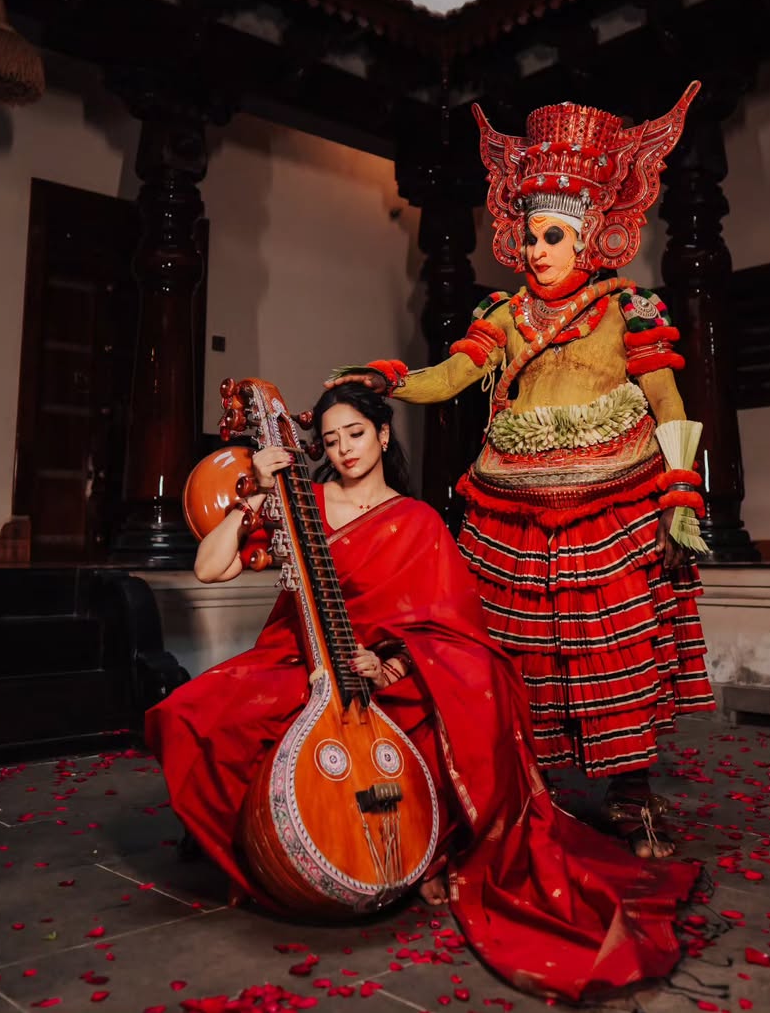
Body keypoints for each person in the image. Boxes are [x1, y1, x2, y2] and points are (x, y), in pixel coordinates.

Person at [146, 382, 700, 1003]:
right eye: (331, 440)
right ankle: (260, 843)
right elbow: (210, 568)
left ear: (383, 435)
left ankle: (424, 849)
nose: (345, 448)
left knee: (467, 694)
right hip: (300, 656)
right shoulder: (303, 499)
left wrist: (388, 668)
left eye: (356, 433)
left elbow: (449, 625)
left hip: (383, 671)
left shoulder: (417, 520)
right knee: (191, 713)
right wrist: (253, 494)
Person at [333, 89, 717, 859]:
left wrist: (682, 495)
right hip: (511, 510)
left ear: (589, 237)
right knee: (514, 649)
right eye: (531, 235)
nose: (538, 250)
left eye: (553, 236)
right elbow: (451, 377)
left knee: (616, 647)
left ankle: (630, 793)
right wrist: (389, 380)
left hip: (614, 504)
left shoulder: (628, 310)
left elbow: (669, 402)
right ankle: (523, 786)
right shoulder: (505, 315)